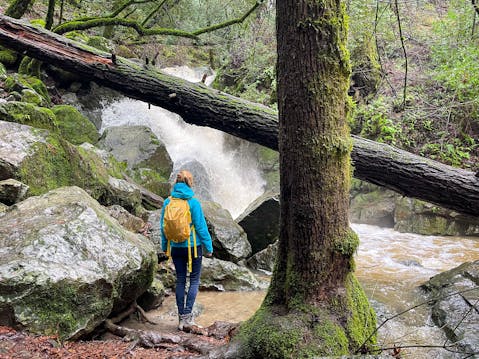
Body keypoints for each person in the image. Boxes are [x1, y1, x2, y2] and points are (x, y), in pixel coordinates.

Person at [160, 170, 213, 330]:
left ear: (176, 182)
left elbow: (163, 227)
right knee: (194, 279)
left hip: (175, 247)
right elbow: (201, 227)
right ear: (190, 183)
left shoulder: (167, 202)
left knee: (181, 280)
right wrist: (208, 247)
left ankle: (180, 319)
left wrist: (165, 247)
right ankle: (187, 318)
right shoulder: (193, 202)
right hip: (193, 247)